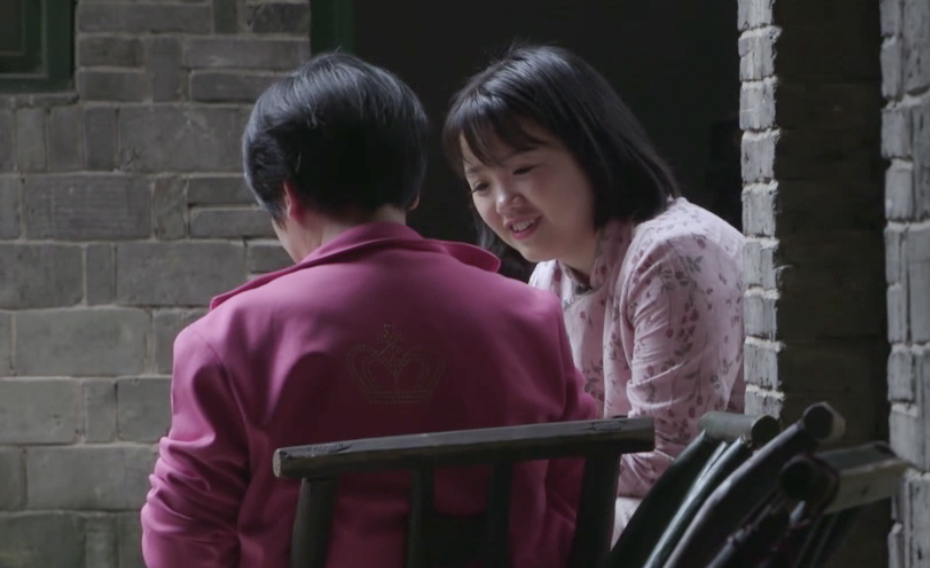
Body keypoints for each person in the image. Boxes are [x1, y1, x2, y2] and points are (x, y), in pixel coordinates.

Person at [140, 52, 598, 568]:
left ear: (287, 198)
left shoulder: (226, 340)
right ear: (413, 189)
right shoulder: (531, 317)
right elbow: (578, 497)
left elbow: (181, 536)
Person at [442, 44, 746, 543]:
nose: (503, 201)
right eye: (480, 184)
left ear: (592, 148)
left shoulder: (670, 254)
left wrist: (515, 478)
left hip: (703, 528)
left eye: (522, 169)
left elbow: (666, 459)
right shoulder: (549, 276)